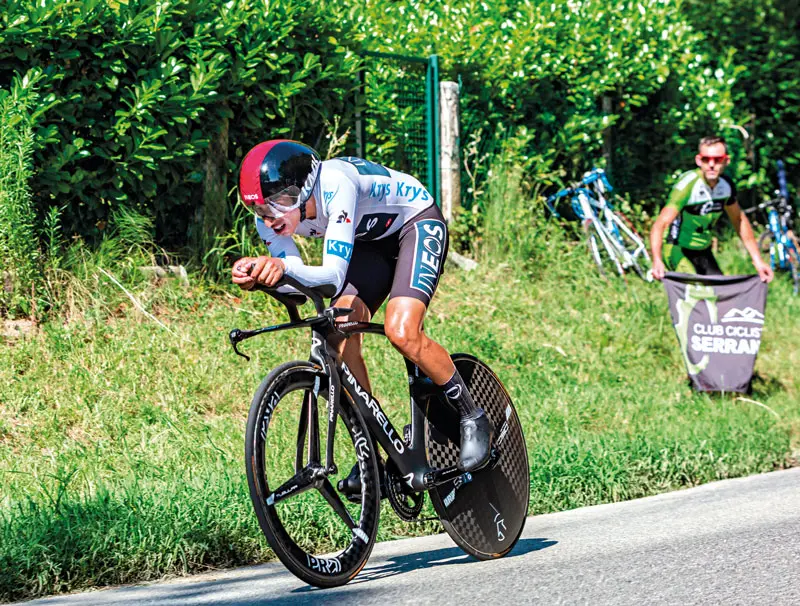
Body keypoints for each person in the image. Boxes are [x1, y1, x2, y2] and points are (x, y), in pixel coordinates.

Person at [231, 139, 493, 482]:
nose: (269, 217)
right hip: (370, 243)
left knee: (402, 331)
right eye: (259, 209)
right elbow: (300, 286)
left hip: (415, 224)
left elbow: (332, 277)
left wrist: (282, 269)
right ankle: (375, 452)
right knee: (338, 330)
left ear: (305, 188)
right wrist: (263, 277)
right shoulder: (269, 221)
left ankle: (472, 416)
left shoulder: (336, 184)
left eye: (279, 202)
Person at [650, 135, 773, 283]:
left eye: (717, 159)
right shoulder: (688, 185)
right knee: (696, 291)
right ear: (698, 160)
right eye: (706, 159)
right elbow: (660, 224)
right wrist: (657, 260)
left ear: (726, 161)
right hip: (677, 249)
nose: (711, 164)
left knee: (721, 292)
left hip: (703, 250)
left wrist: (758, 261)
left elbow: (738, 220)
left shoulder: (726, 186)